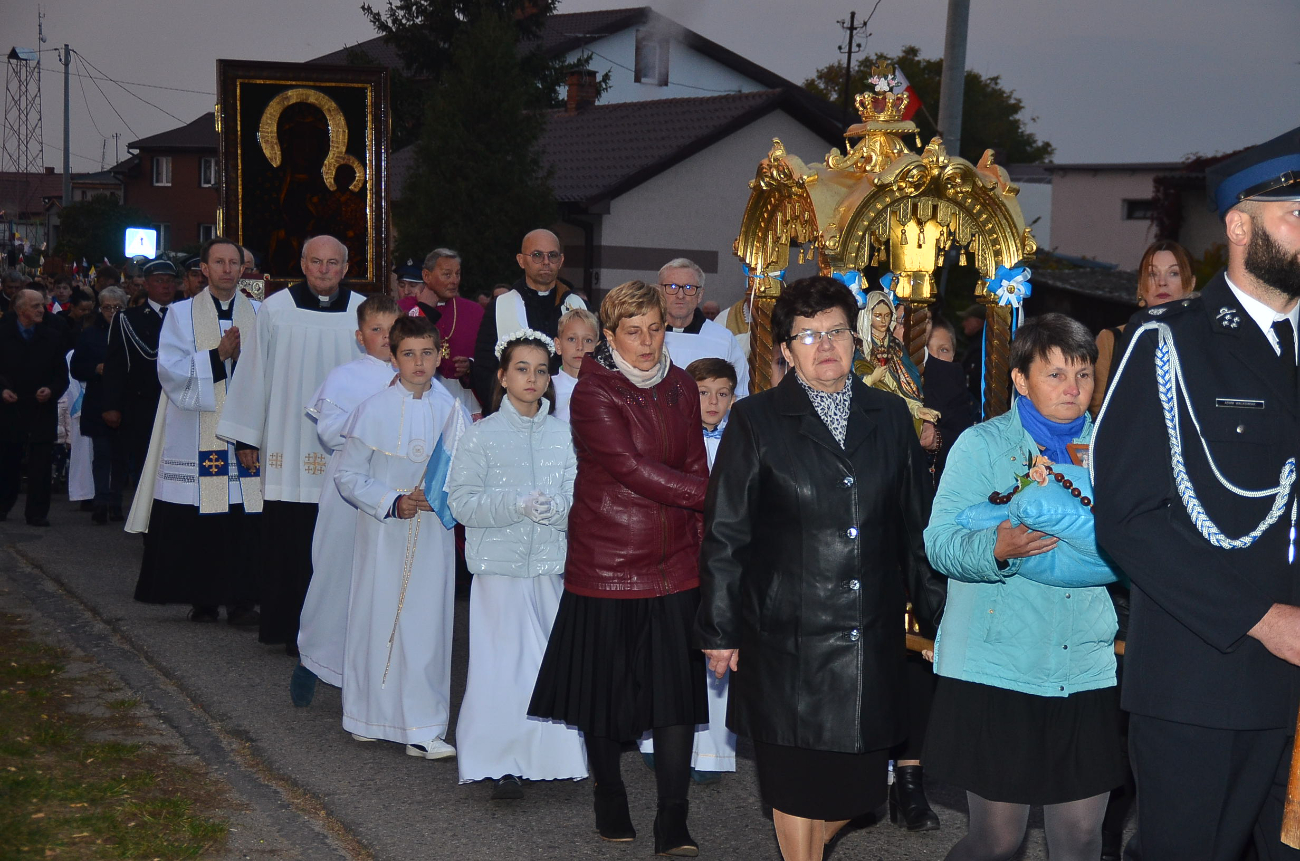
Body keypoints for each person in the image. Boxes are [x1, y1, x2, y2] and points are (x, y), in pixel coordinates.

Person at [1093, 127, 1300, 861]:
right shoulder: (1169, 342)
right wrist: (1263, 620)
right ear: (1240, 227)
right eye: (1296, 215)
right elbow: (1128, 520)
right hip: (1203, 685)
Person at [696, 277, 940, 861]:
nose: (824, 345)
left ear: (856, 339)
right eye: (808, 335)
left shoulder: (890, 416)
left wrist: (942, 621)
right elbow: (726, 535)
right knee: (794, 789)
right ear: (786, 350)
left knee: (859, 795)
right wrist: (720, 630)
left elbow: (917, 532)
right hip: (786, 641)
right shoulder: (755, 420)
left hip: (867, 637)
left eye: (836, 331)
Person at [923, 313, 1122, 861]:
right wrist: (997, 549)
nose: (1072, 388)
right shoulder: (982, 445)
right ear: (1020, 379)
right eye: (1055, 374)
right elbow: (939, 542)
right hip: (998, 664)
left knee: (1082, 838)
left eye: (1083, 374)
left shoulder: (1114, 448)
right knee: (997, 840)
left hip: (1084, 664)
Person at [529, 280, 709, 855]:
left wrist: (703, 542)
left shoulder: (682, 385)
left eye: (655, 329)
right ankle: (609, 794)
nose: (648, 342)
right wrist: (716, 497)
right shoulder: (592, 391)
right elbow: (630, 469)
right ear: (609, 336)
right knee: (604, 696)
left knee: (677, 698)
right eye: (634, 332)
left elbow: (694, 461)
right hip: (608, 561)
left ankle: (673, 818)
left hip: (675, 563)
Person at [449, 330, 586, 799]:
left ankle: (553, 758)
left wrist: (557, 509)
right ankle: (498, 761)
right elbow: (462, 503)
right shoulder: (480, 436)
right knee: (499, 668)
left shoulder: (564, 436)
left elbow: (580, 499)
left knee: (548, 664)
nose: (532, 378)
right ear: (503, 377)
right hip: (498, 571)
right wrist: (515, 504)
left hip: (549, 568)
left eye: (541, 370)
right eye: (522, 369)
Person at [216, 234, 364, 652]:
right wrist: (248, 436)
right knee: (288, 543)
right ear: (302, 264)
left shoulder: (362, 313)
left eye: (332, 263)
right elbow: (254, 372)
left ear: (345, 268)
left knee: (339, 544)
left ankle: (337, 633)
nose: (324, 270)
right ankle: (287, 629)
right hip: (287, 443)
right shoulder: (276, 309)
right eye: (316, 261)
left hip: (344, 447)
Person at [334, 314, 469, 759]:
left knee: (426, 625)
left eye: (427, 353)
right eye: (408, 354)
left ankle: (422, 727)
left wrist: (443, 496)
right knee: (375, 618)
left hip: (432, 537)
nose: (419, 362)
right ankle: (366, 715)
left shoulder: (453, 411)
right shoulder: (373, 409)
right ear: (393, 358)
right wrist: (392, 500)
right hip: (383, 535)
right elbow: (348, 475)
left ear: (439, 356)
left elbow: (468, 473)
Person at [126, 237, 263, 628]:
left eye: (234, 263)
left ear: (243, 269)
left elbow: (272, 371)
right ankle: (203, 599)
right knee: (201, 519)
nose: (227, 269)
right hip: (196, 429)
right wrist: (217, 357)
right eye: (219, 262)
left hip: (246, 432)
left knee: (242, 518)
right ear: (204, 269)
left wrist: (242, 358)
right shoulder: (180, 314)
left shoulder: (260, 313)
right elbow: (169, 370)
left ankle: (242, 601)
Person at [294, 294, 401, 704]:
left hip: (394, 490)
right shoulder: (346, 376)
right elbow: (328, 431)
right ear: (360, 337)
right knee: (335, 573)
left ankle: (373, 673)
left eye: (393, 330)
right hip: (348, 490)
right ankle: (314, 657)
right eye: (376, 330)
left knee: (384, 581)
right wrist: (377, 411)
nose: (386, 338)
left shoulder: (415, 373)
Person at [639, 357, 739, 784]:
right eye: (703, 392)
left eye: (722, 393)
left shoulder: (741, 441)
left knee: (718, 648)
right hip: (678, 555)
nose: (712, 402)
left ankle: (713, 751)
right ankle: (656, 740)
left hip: (723, 560)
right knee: (670, 652)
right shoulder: (670, 439)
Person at [471, 229, 585, 410]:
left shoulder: (578, 306)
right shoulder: (500, 307)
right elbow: (484, 369)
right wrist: (505, 410)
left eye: (552, 255)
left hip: (571, 411)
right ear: (521, 260)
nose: (546, 262)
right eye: (537, 255)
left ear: (561, 260)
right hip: (513, 413)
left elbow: (594, 362)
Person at [1088, 239, 1196, 417]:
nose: (1162, 282)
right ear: (1140, 286)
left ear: (1190, 284)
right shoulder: (1112, 340)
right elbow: (1098, 410)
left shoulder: (1205, 339)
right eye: (1152, 274)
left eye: (1173, 273)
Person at [101, 257, 175, 485]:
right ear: (147, 284)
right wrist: (111, 405)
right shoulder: (128, 319)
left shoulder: (185, 315)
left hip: (177, 403)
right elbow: (115, 365)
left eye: (170, 281)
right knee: (145, 466)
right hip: (142, 403)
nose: (166, 286)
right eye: (159, 281)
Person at [0, 289, 70, 526]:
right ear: (21, 310)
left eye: (42, 305)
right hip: (9, 409)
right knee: (7, 460)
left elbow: (61, 376)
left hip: (41, 409)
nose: (42, 310)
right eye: (36, 306)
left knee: (40, 463)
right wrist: (2, 391)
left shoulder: (52, 337)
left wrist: (50, 390)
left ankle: (37, 512)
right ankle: (3, 505)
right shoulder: (3, 334)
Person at [70, 287, 128, 524]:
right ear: (99, 308)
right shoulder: (90, 334)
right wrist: (95, 368)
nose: (112, 312)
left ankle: (116, 502)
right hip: (98, 401)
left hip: (125, 401)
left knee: (121, 456)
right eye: (107, 307)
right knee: (102, 454)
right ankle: (101, 502)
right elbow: (76, 368)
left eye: (117, 307)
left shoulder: (131, 332)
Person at [657, 258, 750, 398]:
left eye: (689, 288)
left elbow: (740, 393)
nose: (680, 295)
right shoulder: (646, 336)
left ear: (700, 295)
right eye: (672, 286)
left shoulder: (723, 339)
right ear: (660, 292)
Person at [402, 249, 485, 393]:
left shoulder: (474, 311)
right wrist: (424, 309)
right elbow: (402, 344)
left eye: (457, 274)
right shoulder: (404, 308)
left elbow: (489, 355)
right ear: (426, 276)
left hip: (463, 393)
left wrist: (470, 366)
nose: (454, 280)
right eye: (447, 274)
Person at [551, 308, 598, 422]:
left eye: (588, 340)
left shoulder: (605, 389)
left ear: (597, 347)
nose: (580, 347)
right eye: (572, 339)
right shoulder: (546, 388)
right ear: (558, 346)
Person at [959, 304, 986, 401]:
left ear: (978, 322)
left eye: (967, 319)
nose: (963, 323)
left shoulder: (981, 346)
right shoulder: (977, 343)